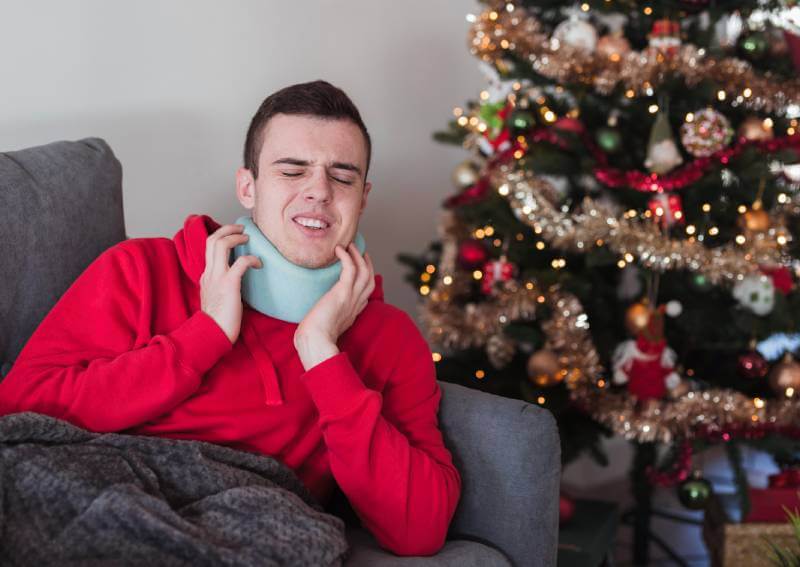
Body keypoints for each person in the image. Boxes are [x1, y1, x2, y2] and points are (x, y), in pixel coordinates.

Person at [0, 80, 461, 556]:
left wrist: (322, 352)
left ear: (362, 198)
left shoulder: (389, 337)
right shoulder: (142, 269)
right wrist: (206, 336)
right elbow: (19, 408)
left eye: (342, 177)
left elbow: (418, 528)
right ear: (247, 186)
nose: (319, 191)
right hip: (94, 476)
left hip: (251, 512)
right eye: (292, 171)